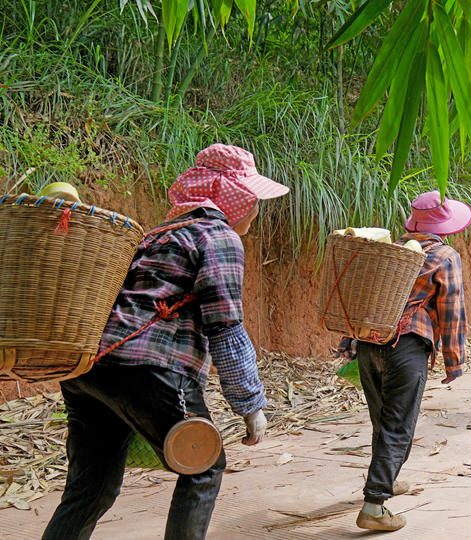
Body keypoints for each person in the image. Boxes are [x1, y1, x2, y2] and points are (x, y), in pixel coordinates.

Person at [43, 144, 289, 540]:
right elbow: (224, 325)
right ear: (235, 197)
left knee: (90, 489)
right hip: (152, 366)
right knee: (204, 465)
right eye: (253, 199)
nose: (257, 209)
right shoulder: (217, 235)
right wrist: (250, 404)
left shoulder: (154, 235)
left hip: (89, 367)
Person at [340, 191, 471, 532]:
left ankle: (387, 477)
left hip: (368, 345)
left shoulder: (386, 250)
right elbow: (452, 310)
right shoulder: (444, 255)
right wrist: (454, 362)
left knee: (383, 420)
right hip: (407, 348)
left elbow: (359, 294)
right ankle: (373, 505)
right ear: (443, 226)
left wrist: (348, 339)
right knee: (398, 426)